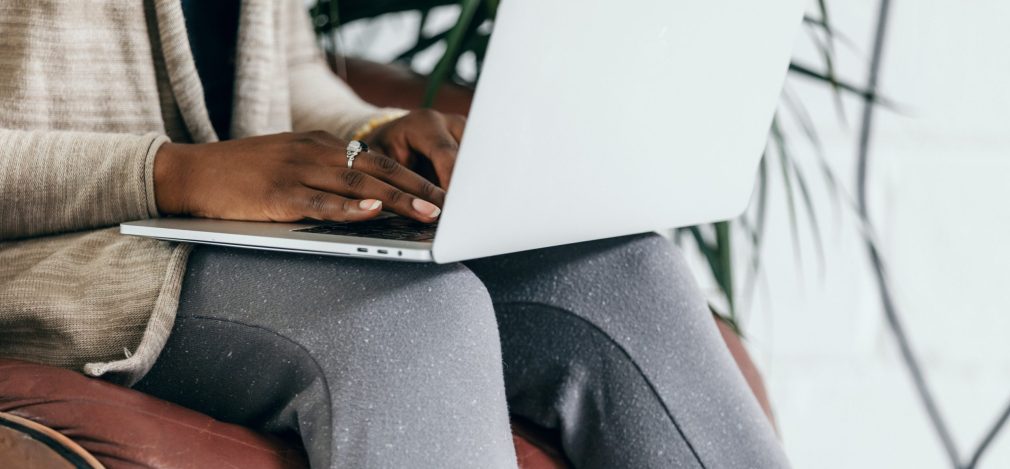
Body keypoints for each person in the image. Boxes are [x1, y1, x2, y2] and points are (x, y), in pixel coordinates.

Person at [0, 1, 787, 468]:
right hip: (61, 251)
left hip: (223, 219)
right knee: (411, 323)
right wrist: (176, 173)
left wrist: (377, 139)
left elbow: (287, 73)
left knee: (616, 273)